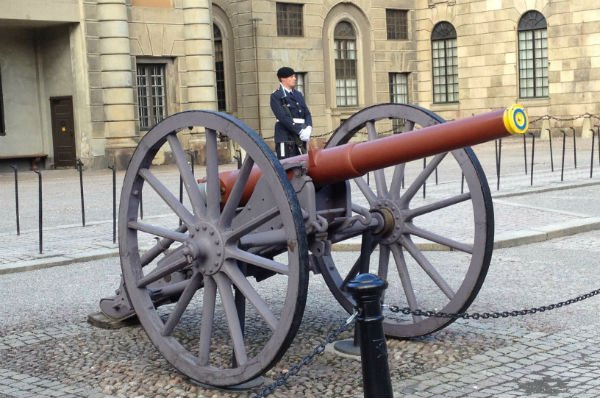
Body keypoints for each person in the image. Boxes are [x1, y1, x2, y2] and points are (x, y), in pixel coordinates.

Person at [270, 66, 313, 159]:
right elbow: (283, 118)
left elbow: (307, 113)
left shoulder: (298, 94)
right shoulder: (276, 96)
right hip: (286, 136)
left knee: (301, 163)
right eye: (291, 77)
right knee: (287, 165)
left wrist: (308, 127)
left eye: (294, 76)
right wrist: (300, 130)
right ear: (283, 79)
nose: (295, 79)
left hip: (301, 136)